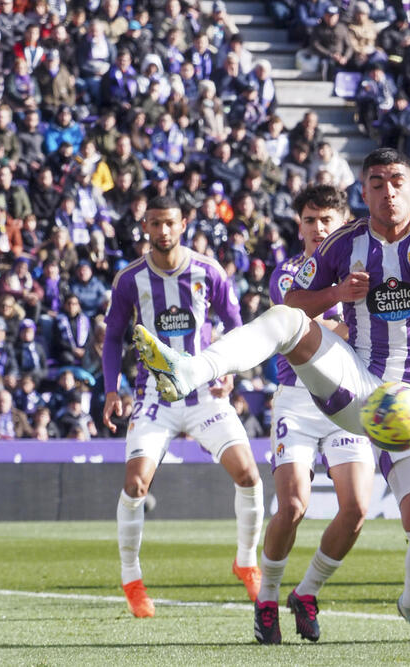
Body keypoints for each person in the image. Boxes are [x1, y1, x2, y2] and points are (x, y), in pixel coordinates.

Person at [133, 148, 410, 661]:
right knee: (285, 327)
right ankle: (189, 369)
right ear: (364, 193)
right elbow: (290, 302)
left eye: (397, 181)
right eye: (376, 182)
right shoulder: (343, 245)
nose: (388, 191)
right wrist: (336, 292)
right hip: (353, 385)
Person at [101, 194, 264, 619]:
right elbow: (113, 336)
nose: (162, 232)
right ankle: (132, 580)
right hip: (155, 398)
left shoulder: (208, 271)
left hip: (204, 391)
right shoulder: (130, 279)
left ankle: (247, 562)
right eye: (154, 224)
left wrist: (230, 369)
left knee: (248, 473)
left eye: (169, 223)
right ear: (146, 226)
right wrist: (111, 389)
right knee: (136, 486)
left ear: (184, 223)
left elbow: (235, 325)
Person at [252, 184, 376, 645]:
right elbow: (303, 323)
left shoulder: (369, 268)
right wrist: (343, 298)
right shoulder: (288, 273)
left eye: (327, 220)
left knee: (358, 509)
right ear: (299, 225)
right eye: (310, 220)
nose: (318, 229)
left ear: (344, 222)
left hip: (349, 399)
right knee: (293, 505)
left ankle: (306, 593)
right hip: (297, 399)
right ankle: (266, 598)